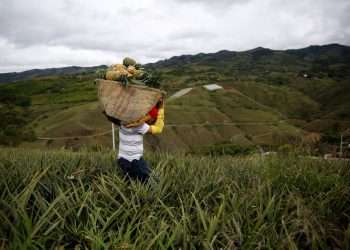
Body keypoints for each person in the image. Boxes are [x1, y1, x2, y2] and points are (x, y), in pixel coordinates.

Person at [117, 98, 164, 183]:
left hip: (122, 160)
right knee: (152, 183)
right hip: (135, 161)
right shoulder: (138, 126)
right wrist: (161, 109)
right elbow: (158, 129)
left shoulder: (121, 122)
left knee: (129, 182)